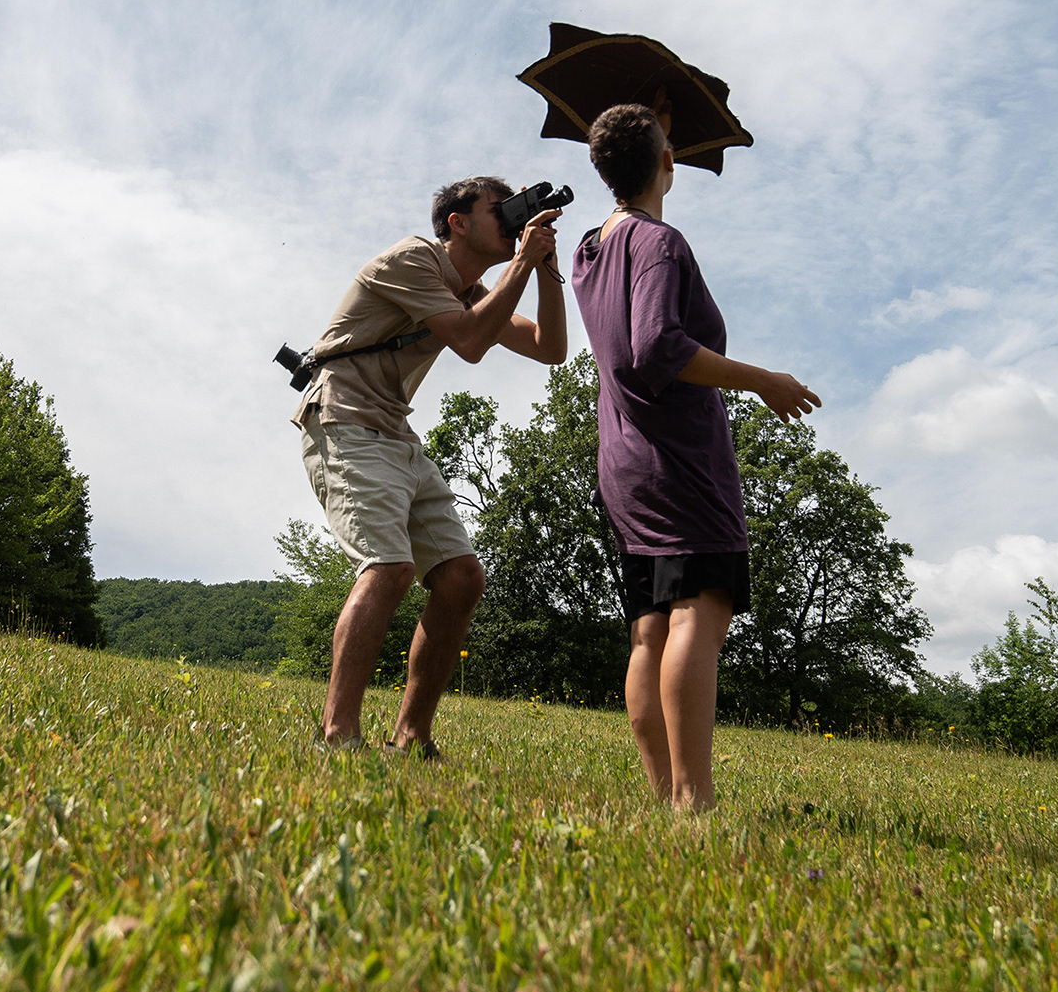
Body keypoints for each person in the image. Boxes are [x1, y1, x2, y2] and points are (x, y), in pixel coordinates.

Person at [569, 97, 820, 811]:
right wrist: (762, 380)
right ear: (667, 162)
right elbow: (658, 347)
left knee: (651, 627)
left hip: (623, 458)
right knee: (698, 616)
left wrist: (644, 131)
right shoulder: (660, 243)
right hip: (678, 457)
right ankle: (692, 800)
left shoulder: (588, 249)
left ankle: (666, 796)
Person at [294, 177, 566, 755]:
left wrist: (544, 267)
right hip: (344, 418)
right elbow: (470, 342)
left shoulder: (470, 291)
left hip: (393, 431)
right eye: (500, 210)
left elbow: (550, 348)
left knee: (461, 578)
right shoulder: (413, 258)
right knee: (388, 567)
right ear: (457, 223)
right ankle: (337, 734)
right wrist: (522, 261)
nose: (511, 220)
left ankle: (412, 737)